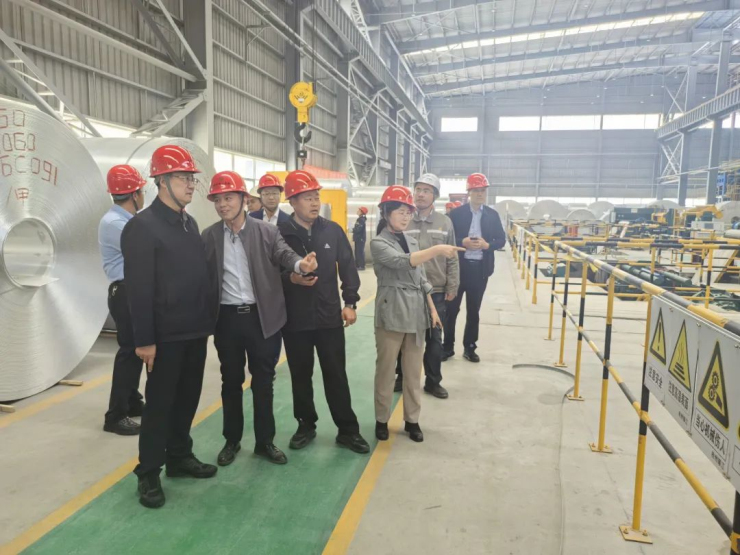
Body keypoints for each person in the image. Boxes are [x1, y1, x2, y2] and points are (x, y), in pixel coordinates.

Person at [121, 145, 217, 509]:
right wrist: (144, 340)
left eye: (192, 178)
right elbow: (138, 290)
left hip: (193, 332)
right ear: (161, 181)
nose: (191, 184)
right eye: (183, 178)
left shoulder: (189, 223)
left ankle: (179, 457)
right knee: (159, 406)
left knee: (187, 399)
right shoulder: (141, 227)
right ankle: (148, 472)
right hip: (163, 338)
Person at [202, 171, 318, 467]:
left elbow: (285, 254)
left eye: (228, 198)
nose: (222, 205)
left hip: (262, 318)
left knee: (263, 381)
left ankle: (265, 442)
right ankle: (232, 440)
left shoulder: (266, 231)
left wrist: (301, 265)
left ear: (244, 199)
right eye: (218, 199)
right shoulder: (210, 236)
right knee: (231, 381)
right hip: (227, 319)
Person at [278, 170, 370, 454]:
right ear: (293, 201)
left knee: (336, 374)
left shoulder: (333, 230)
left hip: (329, 316)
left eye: (316, 196)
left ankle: (347, 430)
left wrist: (350, 303)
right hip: (295, 319)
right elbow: (270, 273)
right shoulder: (280, 233)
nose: (315, 202)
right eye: (307, 197)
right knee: (300, 375)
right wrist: (291, 278)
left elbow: (348, 267)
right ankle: (306, 425)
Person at [371, 185, 463, 443]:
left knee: (413, 372)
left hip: (416, 314)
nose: (406, 217)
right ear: (386, 213)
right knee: (386, 371)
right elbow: (402, 262)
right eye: (400, 211)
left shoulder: (411, 241)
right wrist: (437, 250)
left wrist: (432, 309)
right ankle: (381, 419)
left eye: (408, 212)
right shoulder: (378, 243)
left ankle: (412, 420)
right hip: (391, 311)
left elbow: (422, 280)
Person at [394, 174, 459, 399]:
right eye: (418, 189)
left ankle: (433, 381)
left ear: (435, 196)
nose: (420, 194)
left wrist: (452, 284)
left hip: (436, 290)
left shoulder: (445, 222)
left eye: (426, 191)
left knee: (434, 339)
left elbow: (452, 257)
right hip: (406, 289)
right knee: (403, 336)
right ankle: (401, 377)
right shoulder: (403, 219)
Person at [98, 165, 147, 436]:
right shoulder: (117, 224)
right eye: (142, 191)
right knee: (129, 352)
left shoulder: (124, 220)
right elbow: (147, 251)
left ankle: (131, 401)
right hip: (125, 292)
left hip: (130, 291)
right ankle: (115, 416)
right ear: (135, 194)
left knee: (137, 349)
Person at [444, 173, 506, 363]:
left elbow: (501, 240)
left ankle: (470, 347)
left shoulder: (492, 215)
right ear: (469, 192)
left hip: (480, 270)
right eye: (476, 190)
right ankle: (447, 347)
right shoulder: (456, 214)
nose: (480, 194)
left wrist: (487, 245)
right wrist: (461, 242)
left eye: (483, 191)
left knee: (473, 311)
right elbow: (445, 239)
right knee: (451, 309)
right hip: (458, 269)